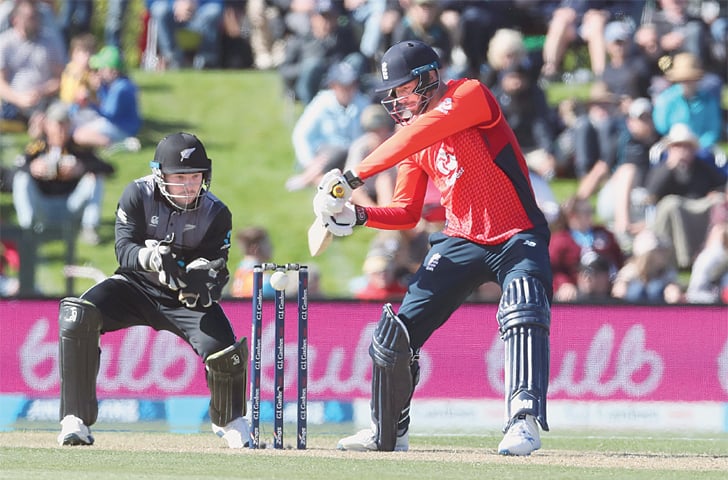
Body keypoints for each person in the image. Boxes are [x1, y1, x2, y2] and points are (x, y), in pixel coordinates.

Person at [312, 40, 553, 455]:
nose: (396, 101)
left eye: (403, 89)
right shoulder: (412, 135)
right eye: (391, 94)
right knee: (394, 334)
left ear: (428, 79)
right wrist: (358, 216)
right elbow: (406, 212)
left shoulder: (471, 95)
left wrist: (349, 179)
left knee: (524, 304)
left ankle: (523, 420)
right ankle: (387, 431)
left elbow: (422, 133)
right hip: (461, 237)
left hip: (516, 233)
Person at [56, 132, 250, 449]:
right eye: (180, 177)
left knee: (226, 353)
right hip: (136, 286)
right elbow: (124, 249)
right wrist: (152, 257)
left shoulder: (216, 213)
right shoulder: (138, 194)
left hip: (183, 296)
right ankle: (75, 419)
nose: (189, 185)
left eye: (196, 176)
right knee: (79, 316)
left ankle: (229, 420)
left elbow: (219, 265)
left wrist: (204, 276)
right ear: (160, 174)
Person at [12, 101, 113, 245]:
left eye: (64, 124)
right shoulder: (38, 147)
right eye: (56, 124)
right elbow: (15, 169)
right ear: (47, 125)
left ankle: (89, 228)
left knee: (95, 177)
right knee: (21, 179)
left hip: (71, 205)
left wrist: (80, 168)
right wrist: (33, 168)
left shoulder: (77, 148)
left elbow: (108, 167)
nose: (60, 130)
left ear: (70, 124)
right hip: (43, 205)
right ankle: (27, 229)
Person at [285, 61, 371, 191]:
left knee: (356, 150)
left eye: (352, 85)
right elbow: (301, 134)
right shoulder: (322, 102)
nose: (349, 90)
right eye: (344, 85)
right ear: (333, 86)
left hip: (354, 155)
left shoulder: (363, 103)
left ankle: (313, 180)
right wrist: (309, 162)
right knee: (335, 153)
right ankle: (315, 178)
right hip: (326, 155)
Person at [0, 0, 66, 131]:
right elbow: (1, 82)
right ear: (15, 20)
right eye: (30, 18)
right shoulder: (5, 42)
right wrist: (18, 99)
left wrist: (40, 92)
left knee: (60, 115)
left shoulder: (50, 41)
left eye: (37, 17)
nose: (35, 21)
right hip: (13, 103)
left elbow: (60, 79)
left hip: (44, 101)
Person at [72, 45, 141, 151]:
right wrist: (98, 88)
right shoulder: (115, 84)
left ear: (113, 71)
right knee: (74, 122)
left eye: (102, 68)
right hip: (115, 123)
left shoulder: (120, 88)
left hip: (123, 128)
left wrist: (90, 102)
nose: (99, 72)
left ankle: (120, 145)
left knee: (79, 135)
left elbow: (108, 113)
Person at [147, 0, 225, 69]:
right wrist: (174, 4)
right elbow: (150, 2)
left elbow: (217, 3)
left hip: (199, 15)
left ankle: (207, 61)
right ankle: (171, 59)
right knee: (159, 9)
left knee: (213, 10)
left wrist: (194, 4)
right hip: (171, 16)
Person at [230, 225, 276, 299]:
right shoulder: (265, 281)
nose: (271, 247)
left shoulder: (239, 273)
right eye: (267, 244)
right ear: (255, 248)